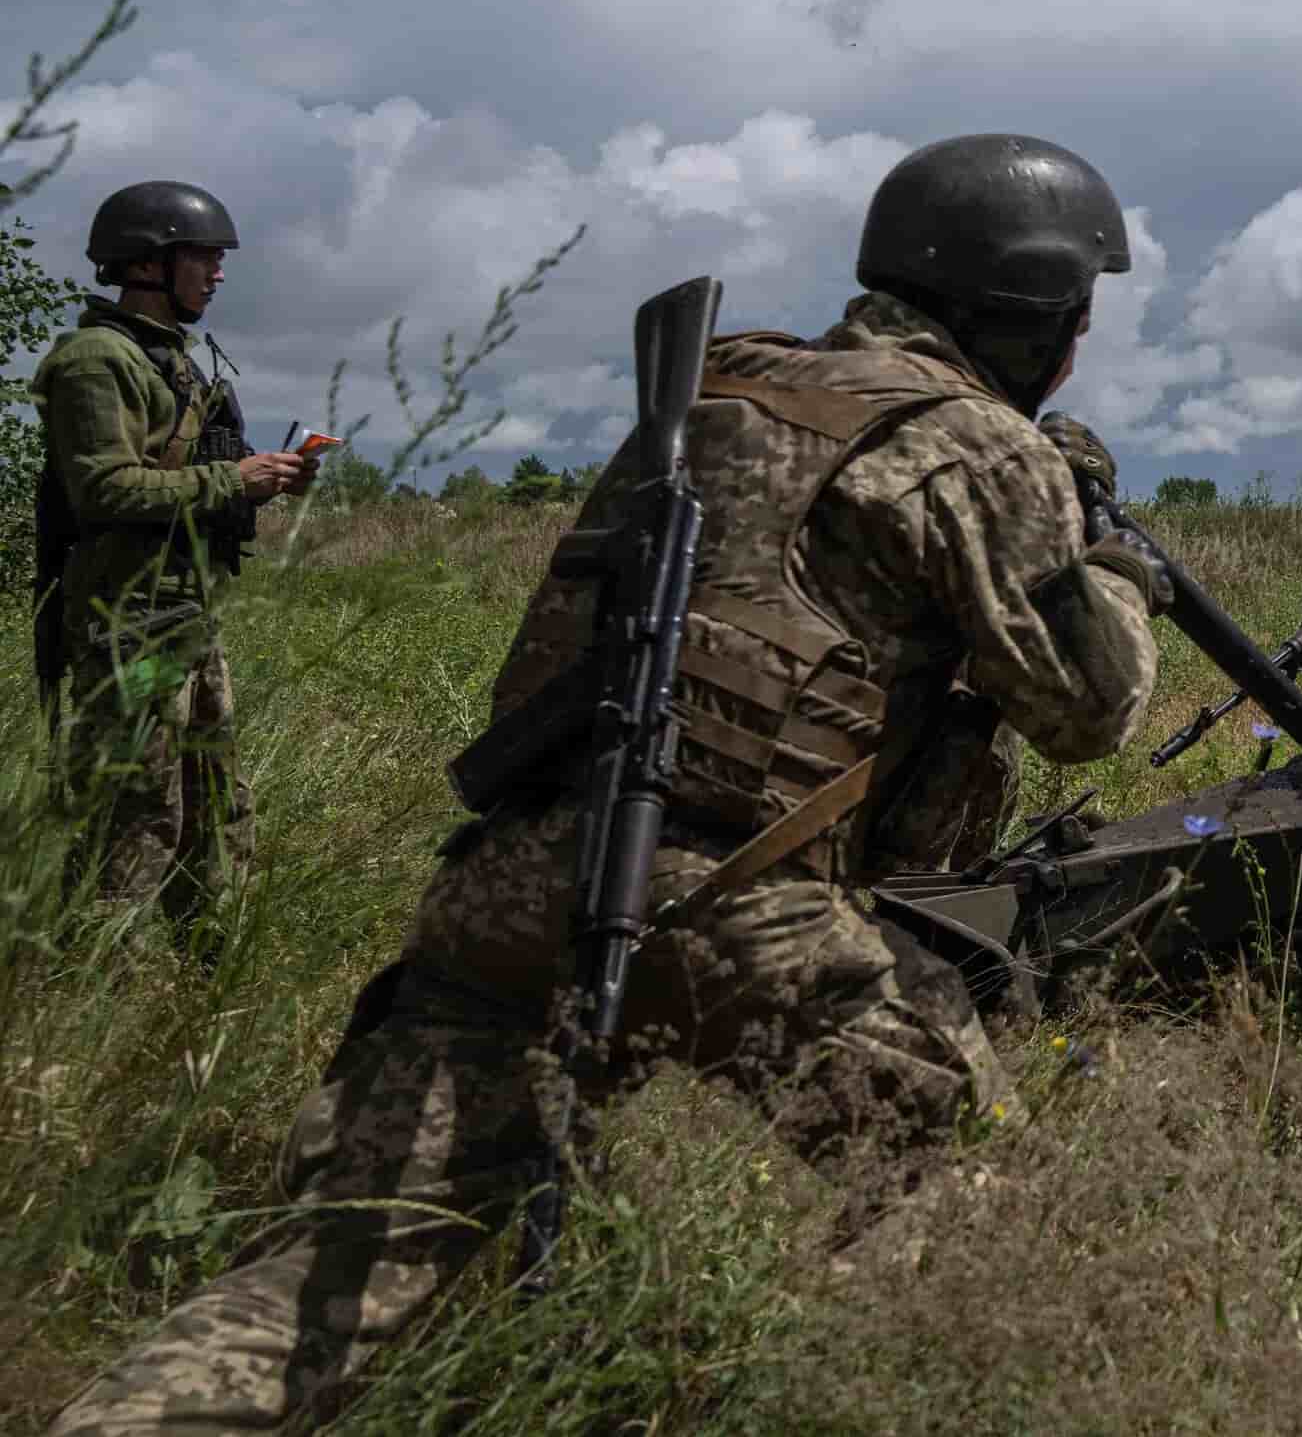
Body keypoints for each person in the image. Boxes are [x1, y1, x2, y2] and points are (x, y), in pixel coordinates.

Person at [49, 135, 1166, 1434]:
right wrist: (1118, 571)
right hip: (737, 906)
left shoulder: (711, 392)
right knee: (968, 1201)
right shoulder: (976, 446)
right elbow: (1090, 712)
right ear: (1036, 313)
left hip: (503, 887)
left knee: (334, 1275)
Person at [33, 180, 316, 917]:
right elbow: (105, 490)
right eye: (205, 257)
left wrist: (270, 480)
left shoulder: (176, 362)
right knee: (134, 816)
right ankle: (98, 1000)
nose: (218, 274)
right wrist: (233, 477)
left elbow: (188, 477)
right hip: (128, 631)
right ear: (149, 262)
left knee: (215, 810)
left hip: (186, 623)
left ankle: (207, 977)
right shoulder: (97, 361)